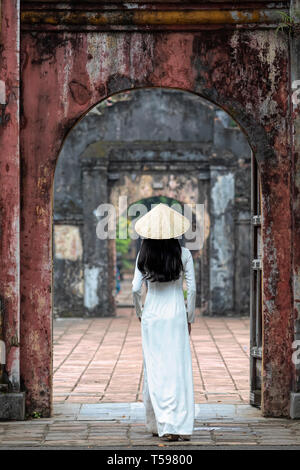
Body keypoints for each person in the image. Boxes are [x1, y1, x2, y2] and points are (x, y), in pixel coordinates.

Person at [132, 203, 196, 442]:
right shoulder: (184, 254)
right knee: (178, 369)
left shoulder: (144, 254)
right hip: (176, 314)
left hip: (152, 315)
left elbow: (135, 289)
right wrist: (189, 318)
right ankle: (179, 424)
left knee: (155, 368)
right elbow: (193, 290)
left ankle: (159, 422)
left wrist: (140, 313)